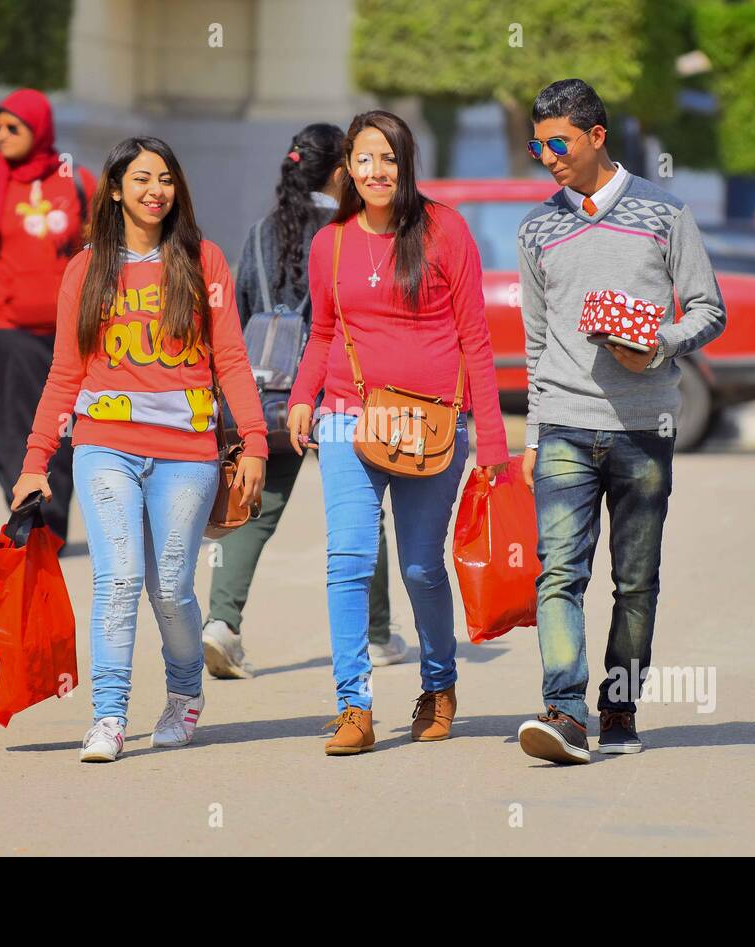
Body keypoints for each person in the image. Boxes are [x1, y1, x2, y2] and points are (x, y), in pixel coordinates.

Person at [11, 137, 268, 763]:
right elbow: (64, 373)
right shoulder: (87, 269)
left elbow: (231, 358)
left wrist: (256, 442)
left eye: (166, 179)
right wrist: (34, 462)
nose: (156, 190)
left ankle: (184, 696)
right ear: (117, 189)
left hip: (187, 453)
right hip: (105, 448)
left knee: (172, 588)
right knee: (119, 579)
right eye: (142, 178)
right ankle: (109, 716)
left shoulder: (203, 262)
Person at [514, 79, 726, 764]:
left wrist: (658, 342)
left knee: (635, 581)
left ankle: (620, 708)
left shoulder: (665, 214)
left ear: (596, 136)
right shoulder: (536, 227)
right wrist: (533, 432)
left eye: (558, 142)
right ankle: (565, 711)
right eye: (536, 144)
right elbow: (537, 343)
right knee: (557, 574)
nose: (546, 155)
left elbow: (707, 308)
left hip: (644, 429)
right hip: (566, 426)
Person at [287, 110, 509, 755]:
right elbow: (323, 332)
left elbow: (474, 337)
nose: (376, 171)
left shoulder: (445, 230)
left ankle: (439, 685)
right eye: (363, 159)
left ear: (405, 163)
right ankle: (353, 706)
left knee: (419, 567)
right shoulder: (330, 243)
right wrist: (303, 396)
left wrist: (491, 442)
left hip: (432, 424)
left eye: (388, 159)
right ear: (347, 168)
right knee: (349, 559)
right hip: (347, 418)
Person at [201, 123, 401, 680]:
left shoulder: (259, 233)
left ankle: (222, 624)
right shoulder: (348, 231)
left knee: (250, 508)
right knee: (361, 510)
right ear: (340, 172)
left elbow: (239, 315)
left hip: (267, 396)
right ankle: (378, 635)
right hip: (336, 395)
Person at [0, 89, 96, 543]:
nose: (2, 135)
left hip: (66, 329)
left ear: (40, 129)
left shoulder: (76, 181)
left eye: (14, 127)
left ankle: (53, 524)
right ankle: (28, 517)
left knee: (65, 429)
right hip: (5, 326)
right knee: (9, 432)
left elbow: (95, 248)